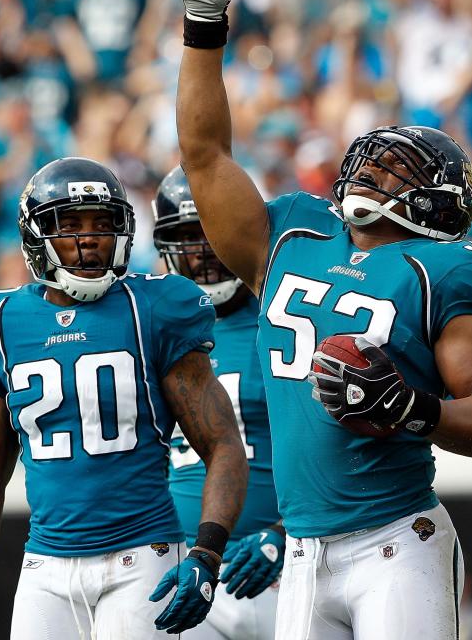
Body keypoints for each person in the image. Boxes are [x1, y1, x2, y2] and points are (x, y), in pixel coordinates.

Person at [173, 0, 472, 640]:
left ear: (435, 200)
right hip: (300, 548)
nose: (370, 169)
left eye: (397, 168)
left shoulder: (444, 270)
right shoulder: (293, 235)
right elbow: (204, 156)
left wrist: (411, 409)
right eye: (372, 158)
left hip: (396, 542)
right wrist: (205, 29)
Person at [0, 157, 248, 640]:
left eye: (102, 223)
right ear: (35, 235)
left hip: (143, 558)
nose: (89, 237)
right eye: (69, 223)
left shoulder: (157, 307)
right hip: (46, 568)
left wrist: (206, 551)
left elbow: (223, 444)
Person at [154, 166, 282, 639]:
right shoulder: (148, 326)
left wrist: (287, 534)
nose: (204, 251)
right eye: (188, 235)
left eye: (213, 231)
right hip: (182, 569)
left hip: (284, 564)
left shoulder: (288, 321)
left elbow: (333, 448)